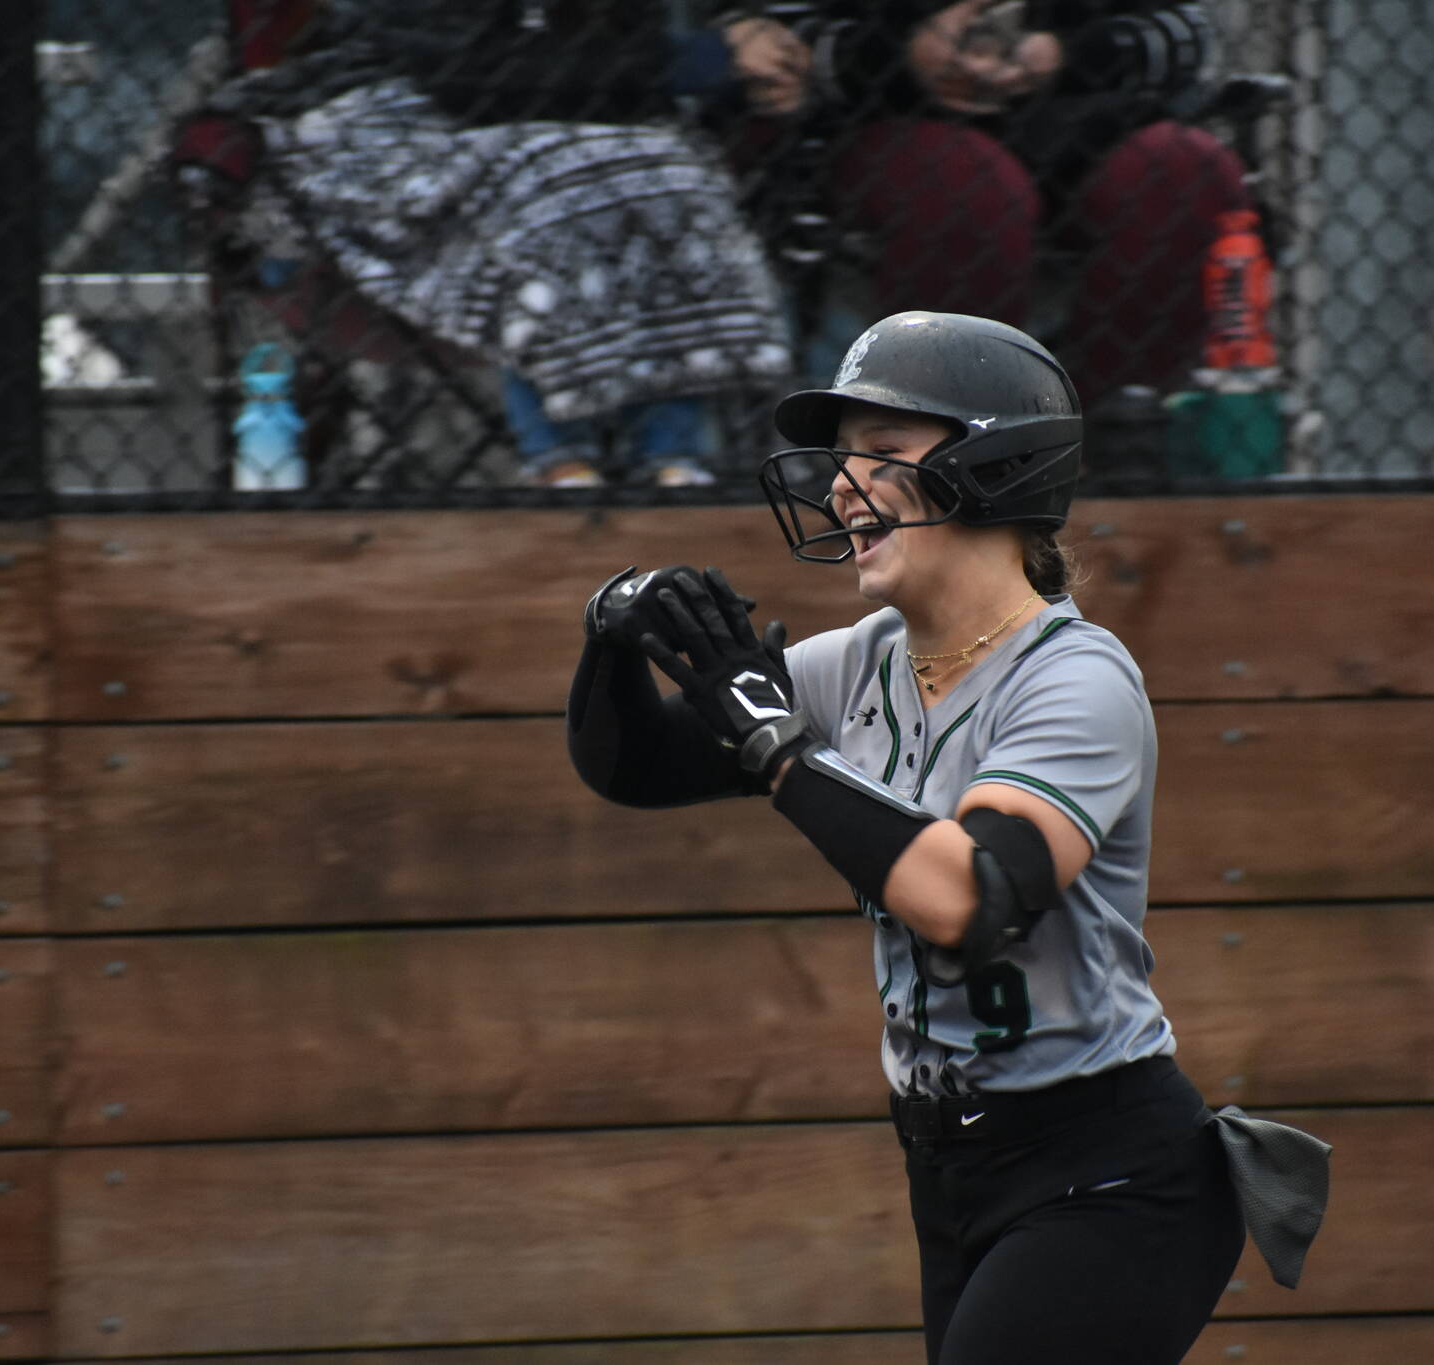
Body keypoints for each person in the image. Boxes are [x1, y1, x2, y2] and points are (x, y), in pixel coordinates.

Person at [565, 310, 1327, 1363]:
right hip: (952, 1173)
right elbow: (633, 767)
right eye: (843, 460)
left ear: (994, 466)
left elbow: (967, 895)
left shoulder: (1076, 677)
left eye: (882, 455)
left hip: (1105, 1176)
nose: (842, 486)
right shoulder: (862, 661)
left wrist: (779, 751)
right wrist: (612, 633)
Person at [179, 0, 806, 487]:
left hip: (592, 120)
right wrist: (697, 57)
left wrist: (740, 53)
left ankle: (672, 453)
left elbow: (624, 63)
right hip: (409, 114)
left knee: (673, 175)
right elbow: (472, 72)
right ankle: (561, 456)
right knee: (552, 188)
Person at [742, 1, 1249, 407]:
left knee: (1188, 170)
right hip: (886, 120)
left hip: (1085, 118)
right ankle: (959, 426)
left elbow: (1188, 34)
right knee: (969, 189)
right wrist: (905, 57)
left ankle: (1117, 417)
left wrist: (1064, 54)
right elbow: (771, 43)